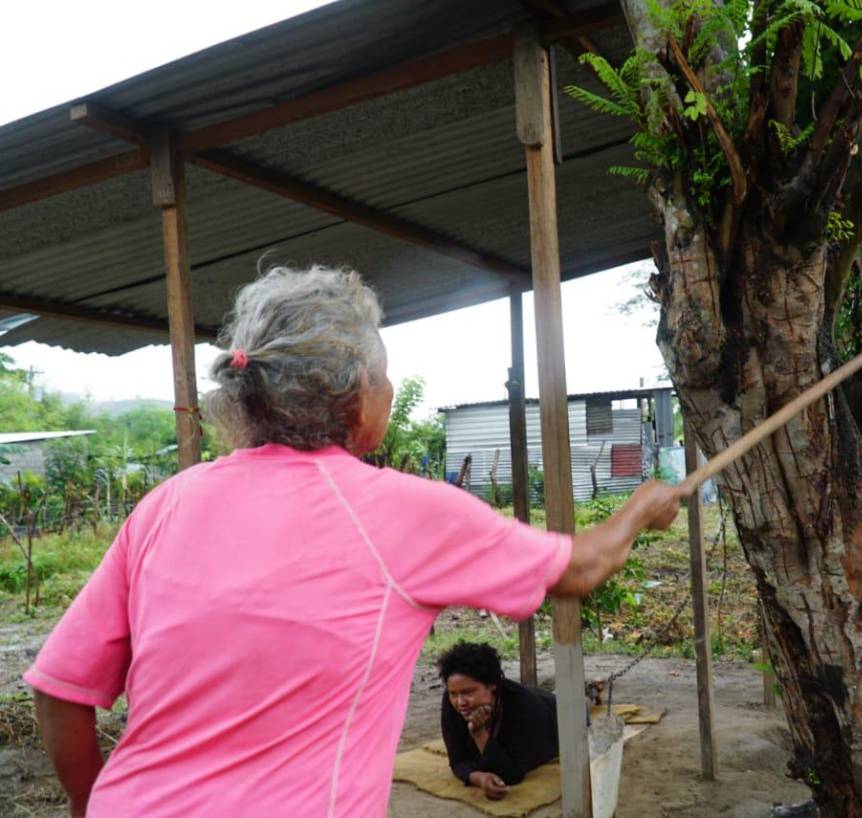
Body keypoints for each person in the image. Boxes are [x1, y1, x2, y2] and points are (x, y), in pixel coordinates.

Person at [24, 265, 683, 818]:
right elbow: (580, 566)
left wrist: (97, 805)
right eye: (383, 374)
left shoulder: (166, 504)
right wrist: (639, 509)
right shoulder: (395, 510)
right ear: (356, 396)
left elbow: (59, 689)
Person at [437, 642, 557, 800]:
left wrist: (479, 733)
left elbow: (512, 774)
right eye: (453, 693)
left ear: (492, 684)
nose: (460, 702)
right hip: (537, 697)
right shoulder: (452, 702)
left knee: (582, 707)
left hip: (556, 712)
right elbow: (458, 761)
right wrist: (478, 777)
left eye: (469, 692)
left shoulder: (523, 706)